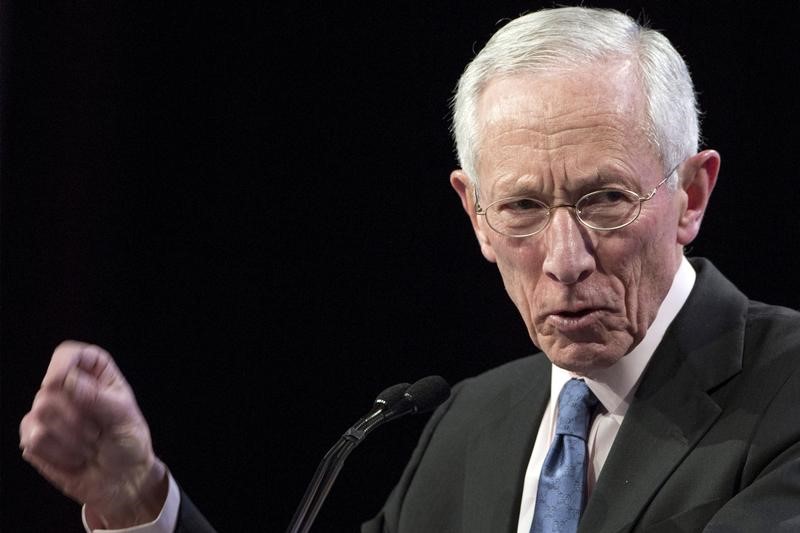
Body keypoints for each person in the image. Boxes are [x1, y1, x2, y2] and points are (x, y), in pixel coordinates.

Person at [19, 6, 800, 533]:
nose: (565, 260)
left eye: (604, 199)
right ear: (475, 215)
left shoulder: (787, 394)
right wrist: (136, 503)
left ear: (692, 194)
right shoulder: (466, 426)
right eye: (522, 208)